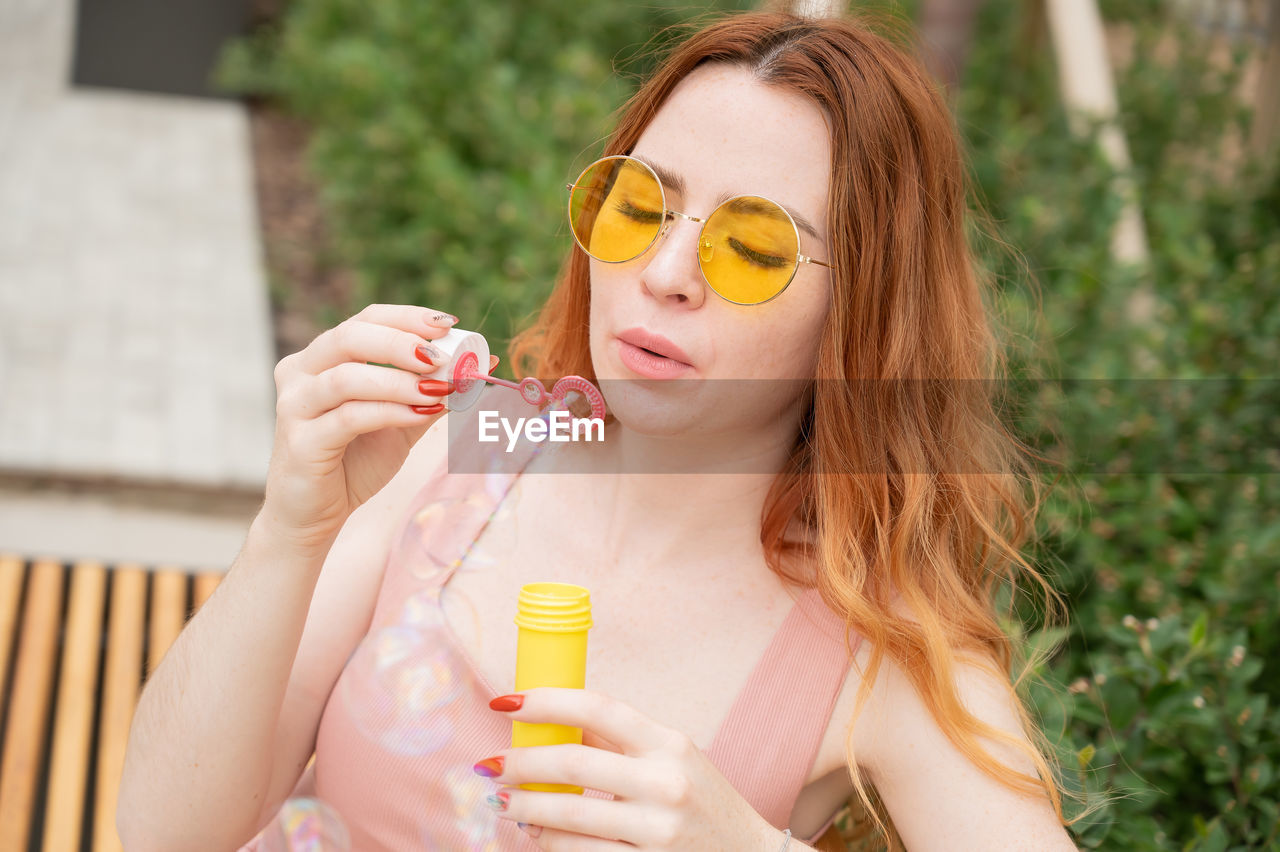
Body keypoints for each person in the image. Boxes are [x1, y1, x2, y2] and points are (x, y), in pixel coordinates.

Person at [119, 10, 1082, 851]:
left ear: (864, 314)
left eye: (753, 248)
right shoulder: (476, 445)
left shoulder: (881, 643)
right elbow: (166, 830)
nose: (665, 271)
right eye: (639, 205)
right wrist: (293, 525)